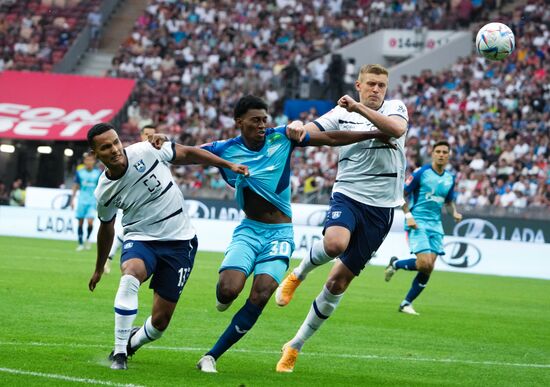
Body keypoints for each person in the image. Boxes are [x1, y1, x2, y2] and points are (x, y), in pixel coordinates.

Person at [149, 95, 395, 373]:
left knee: (262, 293)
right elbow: (185, 153)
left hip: (280, 233)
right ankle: (224, 298)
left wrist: (373, 133)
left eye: (265, 120)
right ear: (239, 122)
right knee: (229, 290)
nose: (262, 125)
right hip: (249, 230)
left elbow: (331, 138)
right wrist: (161, 141)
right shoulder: (225, 150)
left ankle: (212, 356)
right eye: (255, 120)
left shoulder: (282, 138)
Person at [275, 64, 409, 372]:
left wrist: (358, 107)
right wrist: (296, 127)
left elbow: (397, 129)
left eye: (381, 85)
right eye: (371, 84)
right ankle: (299, 273)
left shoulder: (395, 108)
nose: (377, 89)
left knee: (337, 283)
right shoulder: (340, 113)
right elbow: (312, 131)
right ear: (359, 85)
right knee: (334, 244)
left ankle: (294, 345)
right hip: (348, 194)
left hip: (382, 208)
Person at [86, 122, 248, 370]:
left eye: (116, 142)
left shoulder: (147, 150)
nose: (115, 149)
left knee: (159, 323)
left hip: (180, 243)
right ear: (96, 154)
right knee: (130, 274)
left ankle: (131, 344)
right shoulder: (104, 191)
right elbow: (106, 227)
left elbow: (189, 153)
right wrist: (99, 266)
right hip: (141, 238)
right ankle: (119, 354)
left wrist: (227, 165)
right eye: (106, 147)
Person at [384, 141, 462, 315]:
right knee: (424, 263)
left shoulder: (450, 178)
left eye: (445, 152)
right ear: (432, 153)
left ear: (449, 155)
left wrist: (454, 213)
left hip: (436, 225)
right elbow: (401, 195)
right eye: (438, 151)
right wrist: (408, 216)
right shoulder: (422, 173)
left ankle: (406, 303)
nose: (441, 154)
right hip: (417, 222)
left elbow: (448, 203)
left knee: (428, 267)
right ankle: (396, 264)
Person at [105, 124, 159, 274]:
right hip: (136, 200)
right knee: (129, 231)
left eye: (152, 134)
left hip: (155, 201)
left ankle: (109, 259)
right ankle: (110, 259)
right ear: (140, 135)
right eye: (146, 134)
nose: (149, 137)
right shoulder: (132, 153)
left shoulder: (159, 152)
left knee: (128, 233)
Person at [71, 153, 102, 251]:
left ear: (94, 161)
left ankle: (88, 239)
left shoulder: (98, 173)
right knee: (80, 222)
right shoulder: (80, 172)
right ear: (84, 161)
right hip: (81, 200)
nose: (89, 162)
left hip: (92, 201)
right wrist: (72, 199)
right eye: (87, 160)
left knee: (90, 222)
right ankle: (80, 243)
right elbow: (76, 185)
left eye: (91, 160)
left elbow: (101, 187)